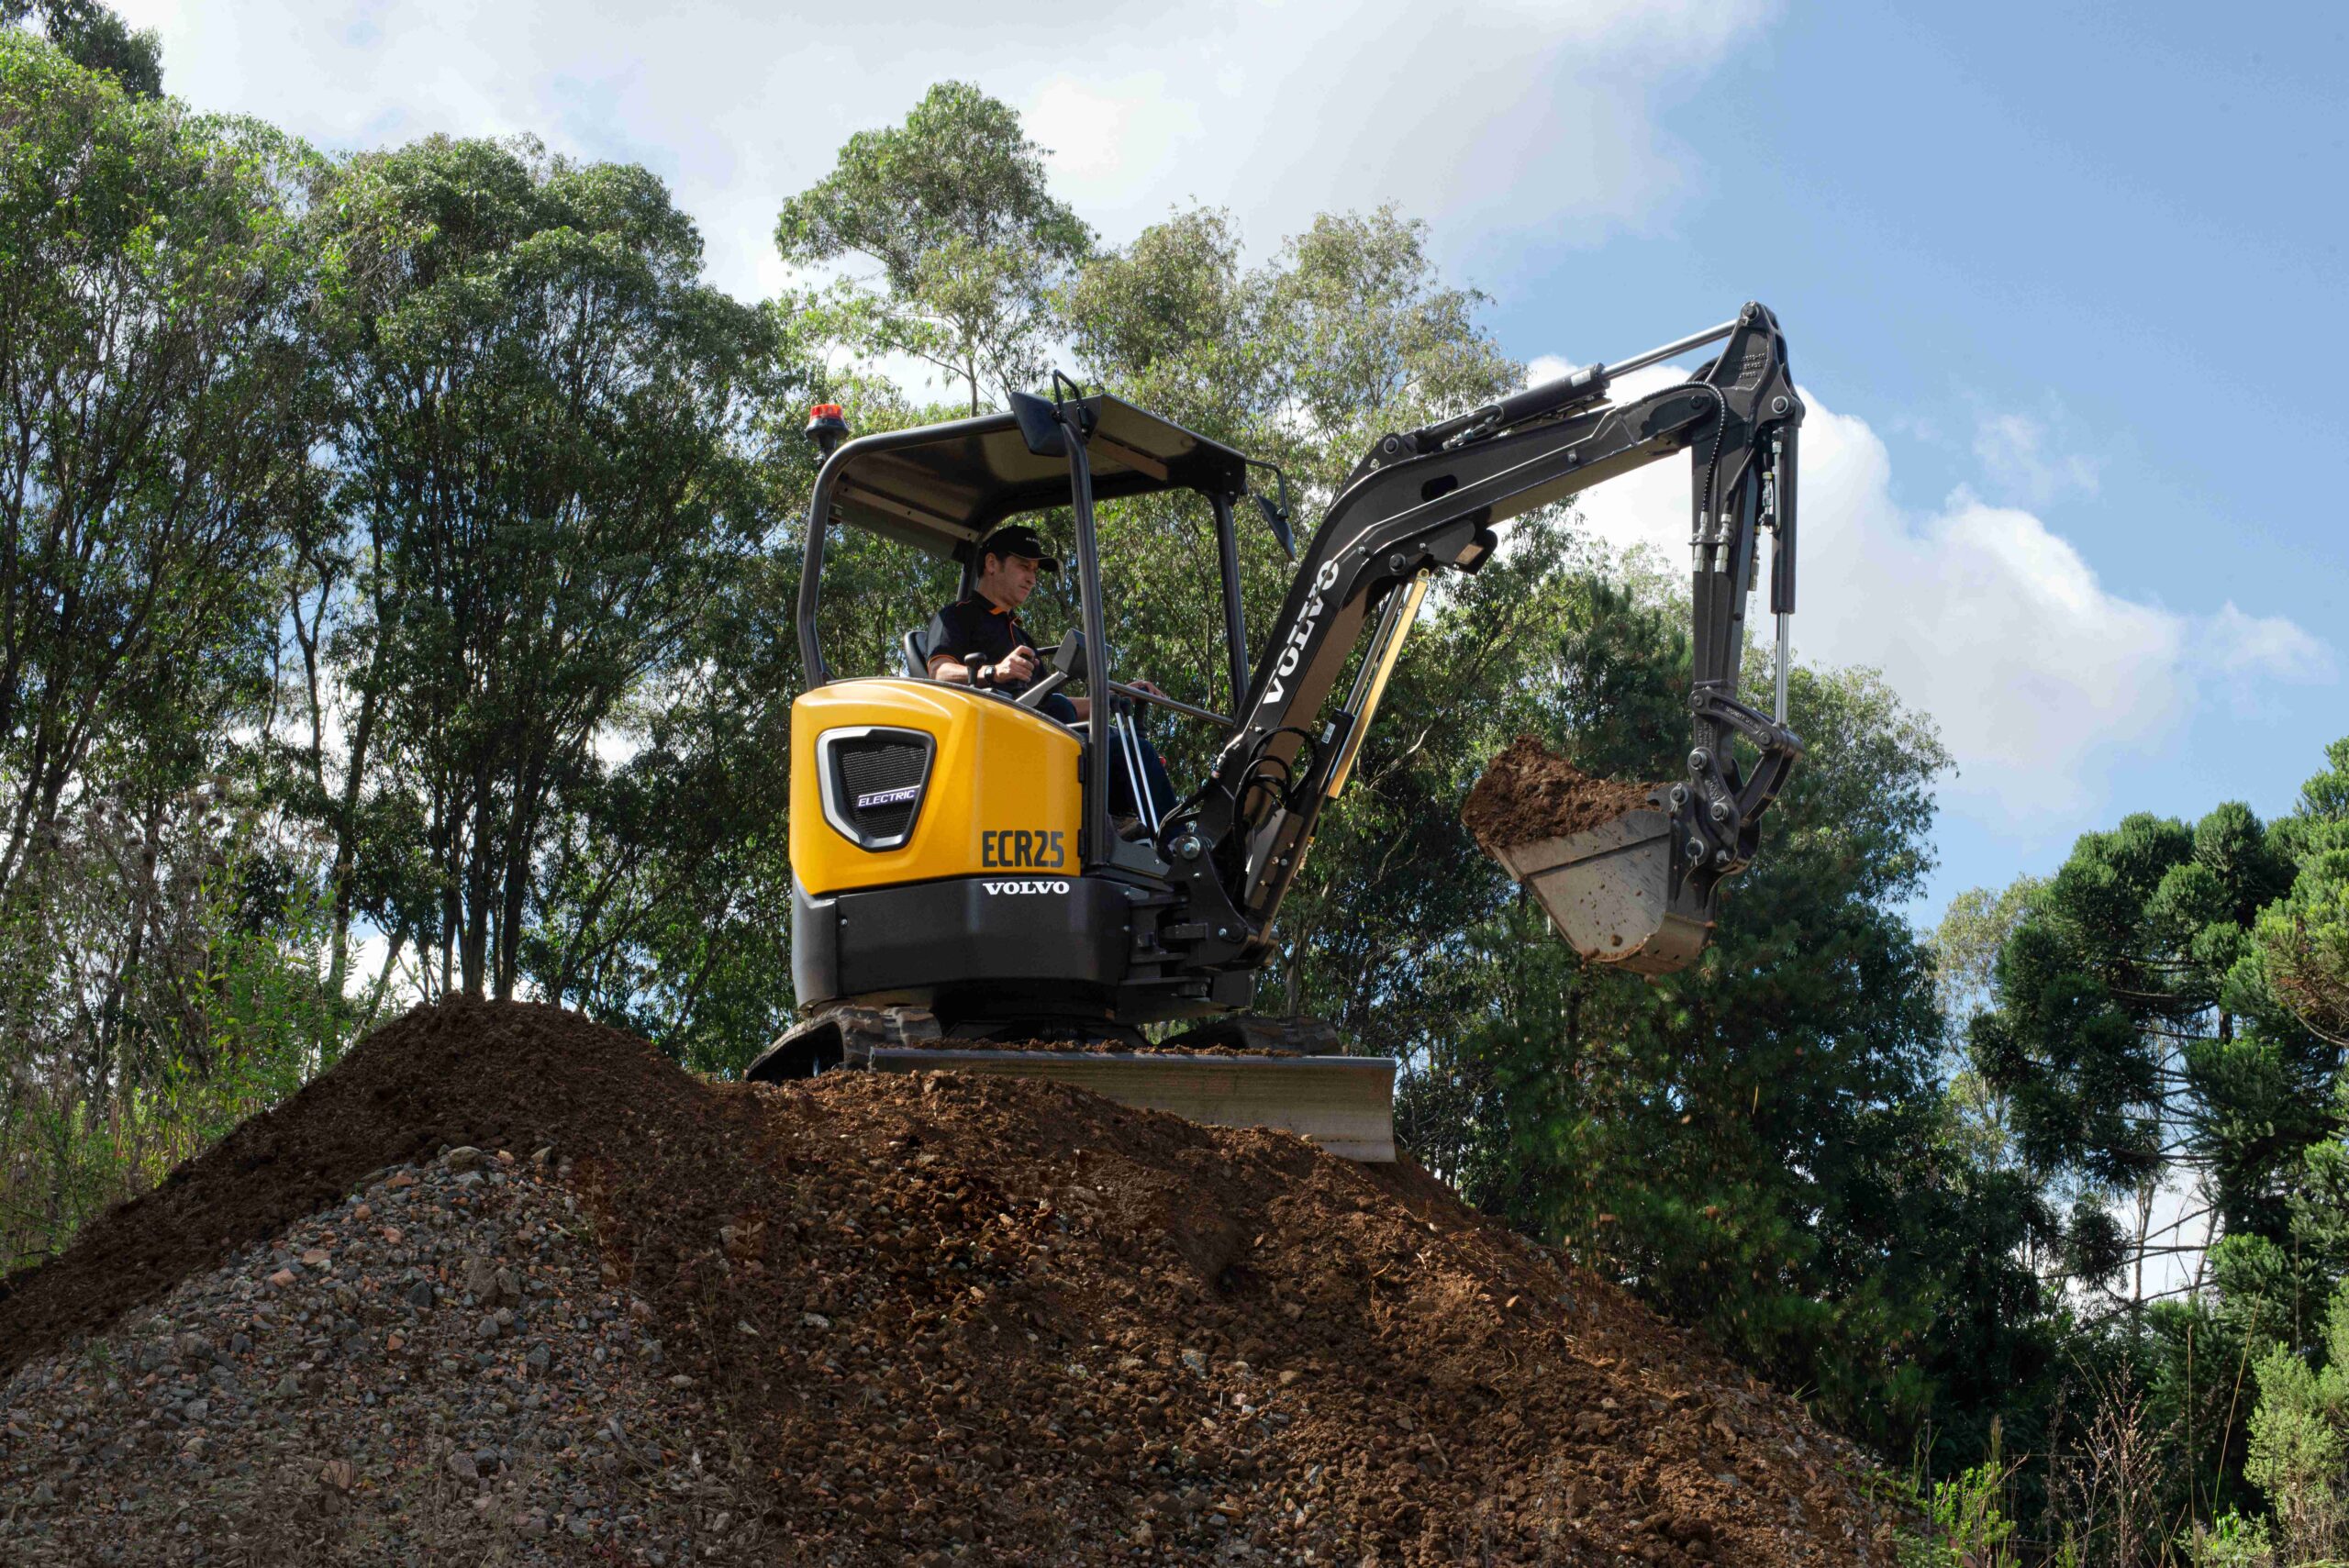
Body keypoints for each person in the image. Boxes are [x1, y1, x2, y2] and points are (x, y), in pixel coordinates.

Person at [926, 525, 1176, 834]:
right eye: (1023, 566)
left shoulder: (1020, 634)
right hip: (997, 745)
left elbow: (1047, 699)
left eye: (1035, 570)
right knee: (1096, 736)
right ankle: (1164, 844)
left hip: (1040, 735)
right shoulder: (956, 616)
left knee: (1130, 746)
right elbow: (939, 672)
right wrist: (993, 671)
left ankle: (1151, 839)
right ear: (992, 564)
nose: (1032, 578)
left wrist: (1116, 696)